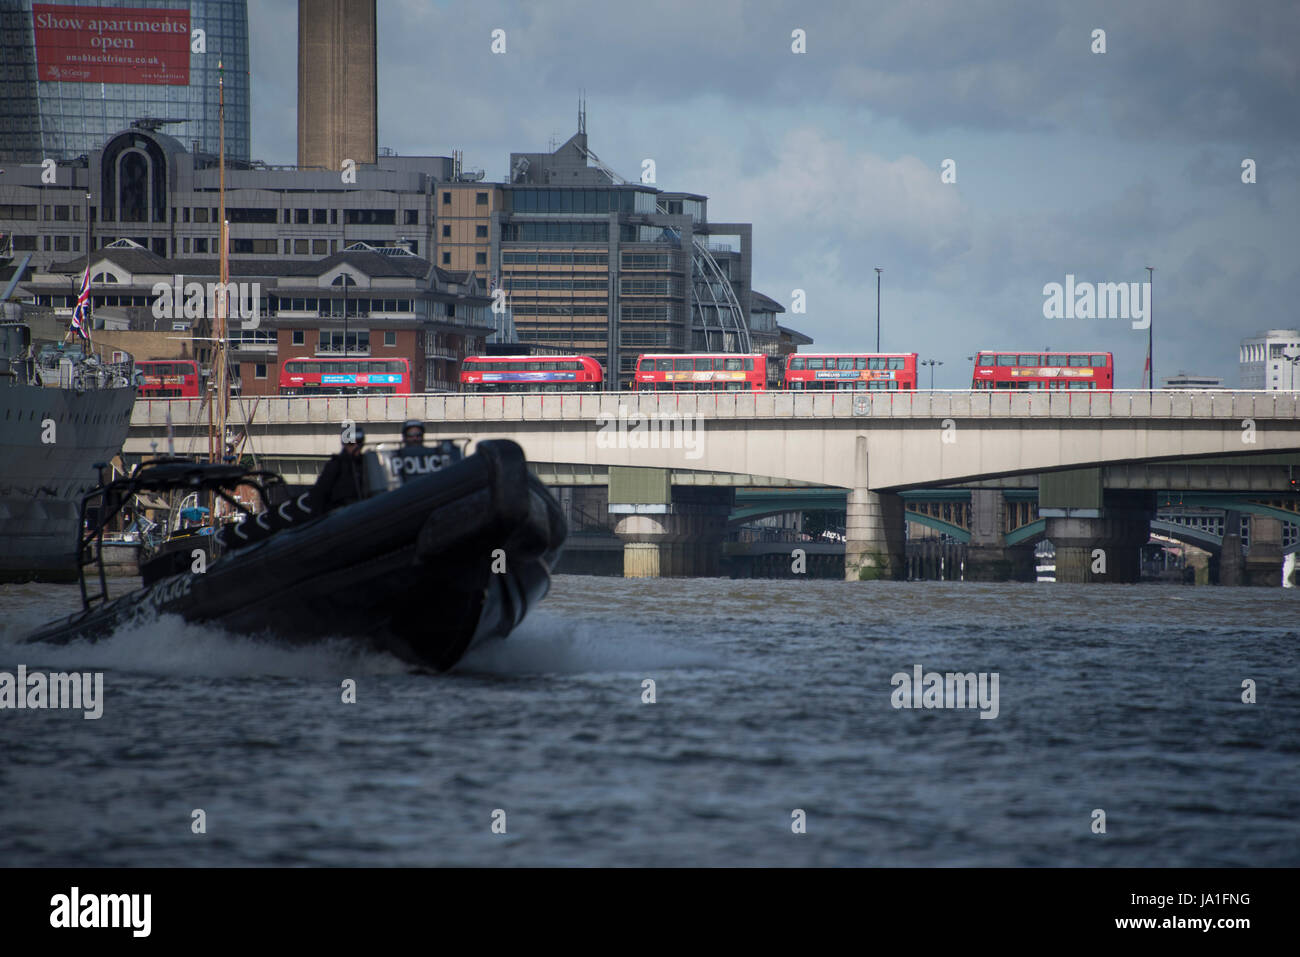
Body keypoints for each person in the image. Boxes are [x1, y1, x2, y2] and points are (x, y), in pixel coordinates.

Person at [309, 425, 367, 514]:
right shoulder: (336, 464)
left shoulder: (365, 463)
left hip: (362, 510)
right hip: (341, 513)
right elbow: (320, 492)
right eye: (351, 443)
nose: (356, 447)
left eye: (359, 442)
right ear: (345, 444)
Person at [390, 419, 461, 482]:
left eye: (418, 435)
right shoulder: (395, 456)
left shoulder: (436, 454)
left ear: (423, 436)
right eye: (410, 435)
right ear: (404, 437)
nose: (415, 438)